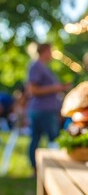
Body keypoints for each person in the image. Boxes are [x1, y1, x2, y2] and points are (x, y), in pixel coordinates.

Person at [26, 43, 71, 171]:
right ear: (44, 51)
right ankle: (41, 168)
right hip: (42, 110)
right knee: (51, 140)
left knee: (42, 139)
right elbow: (33, 90)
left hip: (45, 110)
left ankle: (45, 168)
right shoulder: (36, 66)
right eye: (50, 51)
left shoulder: (43, 67)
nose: (52, 54)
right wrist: (56, 88)